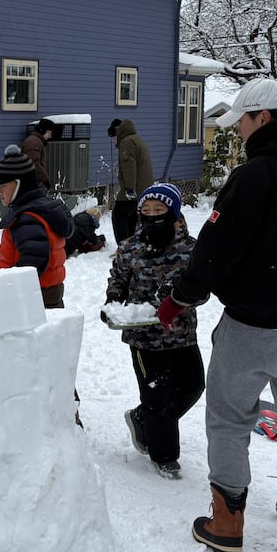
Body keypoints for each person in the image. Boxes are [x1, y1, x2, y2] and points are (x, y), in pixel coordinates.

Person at [156, 78, 277, 552]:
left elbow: (216, 251)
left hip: (252, 325)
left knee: (228, 417)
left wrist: (180, 297)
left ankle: (226, 520)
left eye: (241, 121)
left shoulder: (256, 175)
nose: (238, 131)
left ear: (263, 117)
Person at [102, 184, 205, 479]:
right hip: (143, 337)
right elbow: (118, 278)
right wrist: (113, 302)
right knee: (158, 397)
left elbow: (202, 289)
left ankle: (141, 418)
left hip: (181, 333)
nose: (151, 217)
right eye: (145, 212)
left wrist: (181, 298)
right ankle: (165, 455)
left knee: (192, 386)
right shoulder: (130, 247)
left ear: (173, 214)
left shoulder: (191, 249)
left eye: (158, 212)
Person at [0, 144, 74, 309]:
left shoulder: (28, 219)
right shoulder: (40, 210)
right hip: (45, 296)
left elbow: (32, 265)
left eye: (3, 185)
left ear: (19, 184)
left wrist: (5, 289)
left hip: (32, 300)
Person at [108, 118, 154, 244]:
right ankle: (132, 245)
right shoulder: (137, 139)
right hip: (144, 188)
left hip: (134, 189)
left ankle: (124, 248)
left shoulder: (127, 142)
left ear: (118, 133)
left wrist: (129, 188)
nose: (113, 141)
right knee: (132, 217)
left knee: (119, 215)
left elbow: (129, 166)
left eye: (113, 137)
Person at [21, 118, 56, 190]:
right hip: (30, 182)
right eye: (48, 133)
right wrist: (45, 180)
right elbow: (34, 163)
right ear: (42, 130)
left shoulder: (36, 141)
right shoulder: (33, 142)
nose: (50, 136)